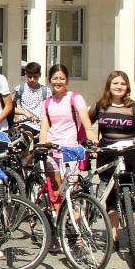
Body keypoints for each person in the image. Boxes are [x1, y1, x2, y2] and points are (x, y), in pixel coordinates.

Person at [89, 70, 135, 245]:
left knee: (132, 196)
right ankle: (114, 235)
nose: (119, 87)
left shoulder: (134, 108)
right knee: (111, 197)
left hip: (132, 154)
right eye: (115, 83)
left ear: (127, 87)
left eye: (122, 84)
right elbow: (86, 124)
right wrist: (91, 141)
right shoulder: (100, 106)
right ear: (109, 86)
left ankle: (133, 238)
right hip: (107, 154)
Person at [39, 64, 95, 192]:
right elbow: (44, 127)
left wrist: (91, 135)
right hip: (52, 149)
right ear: (49, 80)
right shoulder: (47, 102)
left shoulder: (75, 98)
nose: (58, 82)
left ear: (67, 80)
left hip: (70, 149)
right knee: (56, 189)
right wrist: (42, 143)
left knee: (72, 190)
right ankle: (57, 212)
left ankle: (72, 212)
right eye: (55, 78)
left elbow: (85, 119)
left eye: (61, 79)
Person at [13, 62, 51, 131]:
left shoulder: (46, 91)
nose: (32, 79)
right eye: (29, 77)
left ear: (39, 75)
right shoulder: (20, 89)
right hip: (24, 124)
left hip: (41, 127)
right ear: (26, 75)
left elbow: (50, 110)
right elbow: (11, 107)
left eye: (35, 77)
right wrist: (20, 115)